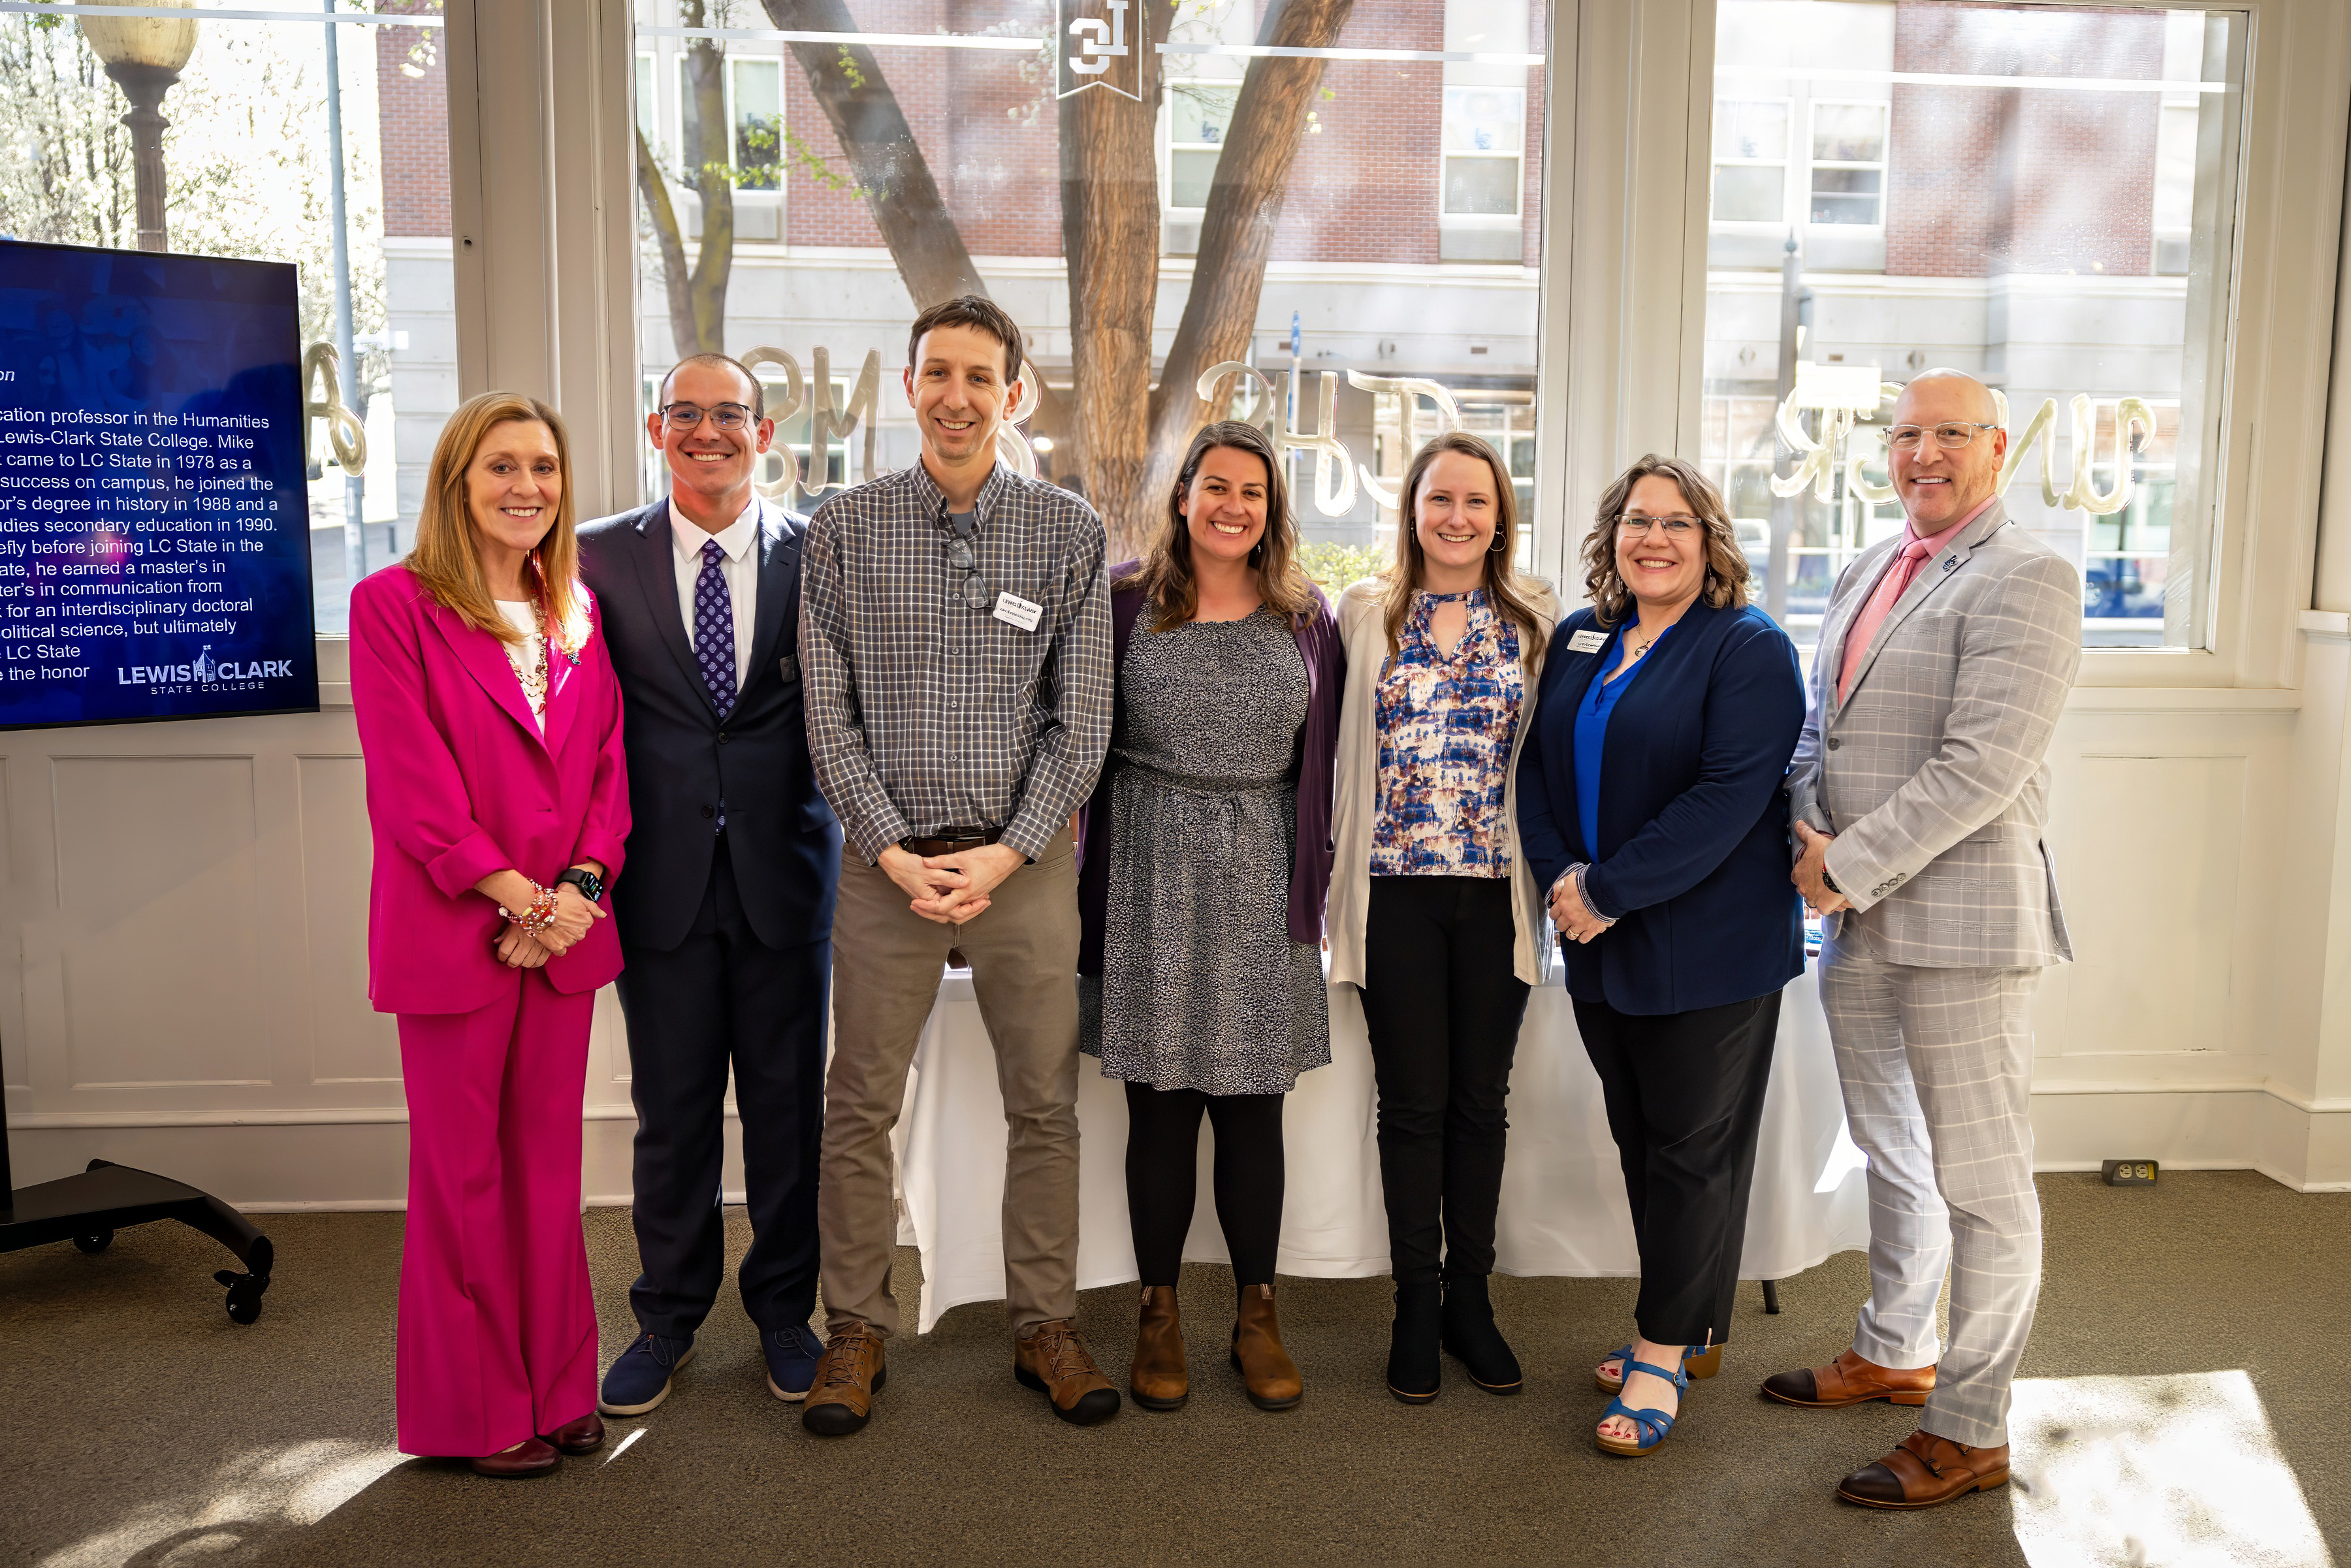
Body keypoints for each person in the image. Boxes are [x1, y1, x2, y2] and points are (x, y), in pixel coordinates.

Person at [797, 295, 1115, 1433]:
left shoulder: (1069, 533)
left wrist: (1008, 852)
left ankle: (1045, 1323)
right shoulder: (844, 529)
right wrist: (888, 848)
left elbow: (1083, 725)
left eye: (981, 378)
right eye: (939, 373)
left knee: (1045, 1103)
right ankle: (856, 1329)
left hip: (1021, 867)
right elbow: (826, 718)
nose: (957, 397)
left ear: (1014, 393)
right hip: (886, 867)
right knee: (859, 1103)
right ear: (909, 386)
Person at [1768, 370, 2080, 1509]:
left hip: (1962, 926)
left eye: (1951, 432)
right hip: (1860, 921)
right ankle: (1896, 1346)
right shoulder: (1864, 568)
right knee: (1890, 1153)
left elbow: (1982, 766)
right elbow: (1820, 727)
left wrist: (1837, 864)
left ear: (1998, 446)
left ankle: (1972, 1422)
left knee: (1984, 1184)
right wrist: (1809, 831)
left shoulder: (2030, 577)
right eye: (1908, 434)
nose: (1924, 453)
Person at [349, 392, 629, 1477]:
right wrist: (517, 897)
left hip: (559, 932)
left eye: (545, 469)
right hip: (457, 928)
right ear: (457, 481)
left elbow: (607, 767)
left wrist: (578, 892)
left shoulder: (577, 609)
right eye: (502, 467)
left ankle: (560, 1387)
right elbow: (412, 790)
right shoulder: (394, 606)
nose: (528, 488)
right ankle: (478, 1409)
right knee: (464, 1177)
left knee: (549, 1173)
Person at [1517, 454, 1806, 1456]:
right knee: (1648, 1141)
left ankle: (1658, 1352)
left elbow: (1727, 800)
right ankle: (1690, 1324)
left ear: (1709, 537)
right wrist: (1563, 876)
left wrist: (1602, 889)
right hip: (1600, 937)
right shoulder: (1582, 638)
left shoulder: (1748, 646)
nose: (1655, 538)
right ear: (1613, 537)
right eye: (1638, 520)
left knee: (1688, 1150)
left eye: (1676, 522)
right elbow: (1540, 769)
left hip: (1710, 946)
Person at [577, 353, 842, 1419]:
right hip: (661, 883)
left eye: (727, 414)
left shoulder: (819, 554)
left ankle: (785, 1309)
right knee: (673, 1112)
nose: (707, 431)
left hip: (788, 876)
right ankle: (668, 1313)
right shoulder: (595, 557)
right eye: (685, 413)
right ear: (657, 428)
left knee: (788, 1110)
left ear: (763, 432)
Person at [1074, 421, 1343, 1415]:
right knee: (1160, 1107)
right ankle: (1157, 1308)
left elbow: (1327, 766)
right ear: (1182, 493)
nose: (1235, 505)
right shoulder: (1122, 601)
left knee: (1252, 1107)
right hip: (1149, 866)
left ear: (1273, 513)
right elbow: (1082, 743)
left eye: (1255, 493)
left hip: (1264, 869)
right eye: (1217, 485)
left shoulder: (1307, 616)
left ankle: (1257, 1313)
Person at [1326, 430, 1558, 1404]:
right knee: (1412, 1104)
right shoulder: (1365, 613)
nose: (1457, 517)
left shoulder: (1538, 616)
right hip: (1396, 894)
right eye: (1439, 500)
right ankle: (1414, 1305)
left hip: (1497, 895)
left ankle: (1472, 1300)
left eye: (1476, 500)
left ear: (1500, 513)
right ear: (1411, 510)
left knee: (1480, 1103)